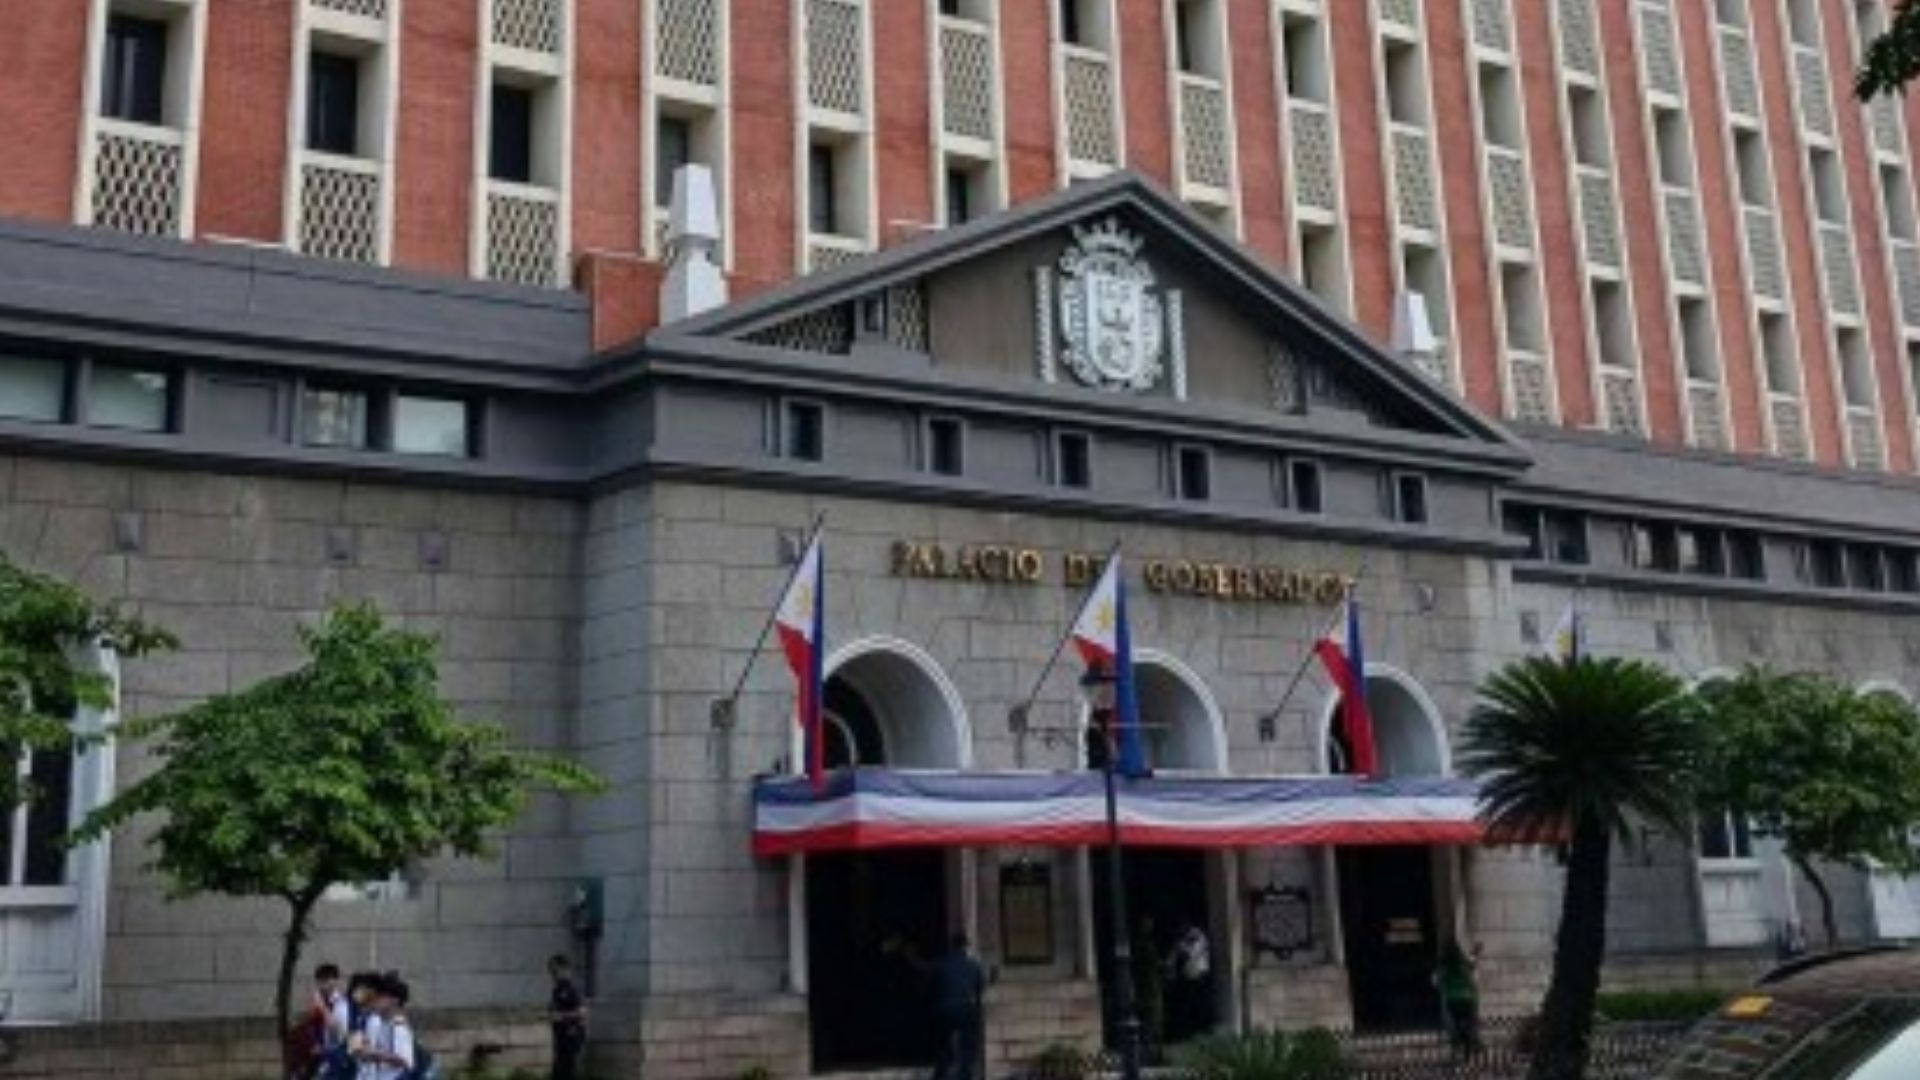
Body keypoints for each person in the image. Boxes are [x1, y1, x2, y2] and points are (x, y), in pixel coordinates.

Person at [930, 932, 986, 1080]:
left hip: (945, 1009)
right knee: (967, 1047)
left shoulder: (942, 963)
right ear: (966, 946)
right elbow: (980, 988)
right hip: (966, 1010)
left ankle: (941, 1074)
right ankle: (965, 1074)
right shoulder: (974, 965)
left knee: (943, 1045)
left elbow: (929, 977)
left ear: (952, 945)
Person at [354, 975, 416, 1080]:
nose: (376, 1001)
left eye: (381, 997)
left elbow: (404, 1060)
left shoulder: (398, 1026)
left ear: (394, 1000)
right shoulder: (383, 1023)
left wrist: (374, 1053)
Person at [1435, 941, 1482, 1058]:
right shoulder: (1465, 963)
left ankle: (1457, 1045)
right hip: (1467, 998)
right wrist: (1476, 951)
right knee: (1469, 1023)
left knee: (1453, 1025)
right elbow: (1473, 960)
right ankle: (1470, 1045)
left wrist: (1444, 987)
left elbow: (1436, 981)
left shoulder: (1444, 966)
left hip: (1452, 999)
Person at [1165, 922, 1211, 1040]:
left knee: (1200, 1005)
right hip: (1188, 979)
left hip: (1200, 977)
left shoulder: (1200, 940)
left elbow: (1191, 954)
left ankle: (1202, 1029)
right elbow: (1172, 960)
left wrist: (1180, 947)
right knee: (1189, 1006)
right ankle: (1191, 1031)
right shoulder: (1183, 942)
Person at [547, 954, 588, 1080]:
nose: (553, 974)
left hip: (571, 1035)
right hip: (560, 1035)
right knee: (558, 1070)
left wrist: (562, 1016)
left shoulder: (573, 989)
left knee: (568, 1069)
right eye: (551, 971)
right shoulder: (557, 990)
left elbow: (581, 1012)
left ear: (564, 969)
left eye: (555, 970)